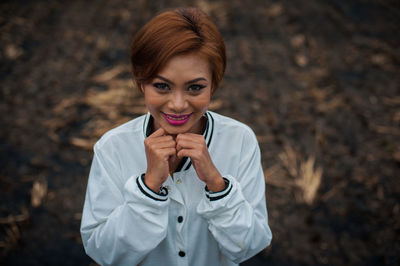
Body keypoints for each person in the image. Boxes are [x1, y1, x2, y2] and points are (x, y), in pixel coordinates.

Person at [80, 7, 272, 266]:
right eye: (162, 86)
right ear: (141, 83)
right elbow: (103, 252)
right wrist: (148, 188)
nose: (178, 104)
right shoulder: (113, 147)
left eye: (195, 87)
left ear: (213, 85)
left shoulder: (240, 141)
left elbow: (250, 245)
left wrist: (217, 185)